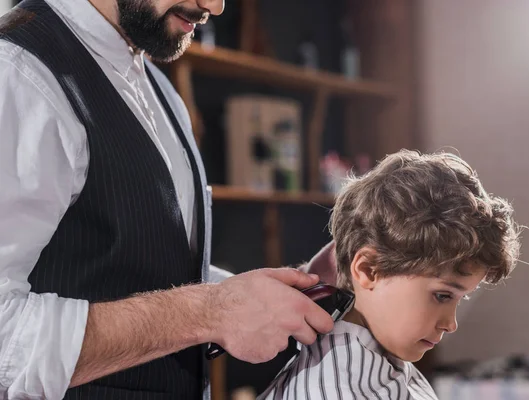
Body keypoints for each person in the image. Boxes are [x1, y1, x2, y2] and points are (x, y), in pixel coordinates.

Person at [0, 0, 336, 399]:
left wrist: (290, 289)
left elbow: (141, 268)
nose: (214, 5)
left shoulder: (157, 86)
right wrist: (210, 312)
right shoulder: (16, 75)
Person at [258, 149, 522, 400]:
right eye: (442, 295)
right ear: (368, 270)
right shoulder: (351, 389)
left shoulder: (366, 364)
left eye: (459, 298)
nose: (450, 324)